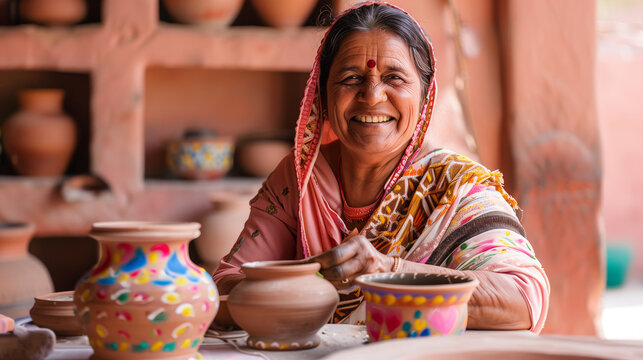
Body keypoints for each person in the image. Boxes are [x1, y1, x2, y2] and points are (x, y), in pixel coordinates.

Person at [213, 2, 549, 332]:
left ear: (424, 96)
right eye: (350, 78)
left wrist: (389, 272)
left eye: (394, 78)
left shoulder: (456, 188)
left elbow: (522, 299)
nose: (372, 96)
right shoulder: (301, 179)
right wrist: (300, 281)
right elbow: (226, 287)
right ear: (323, 97)